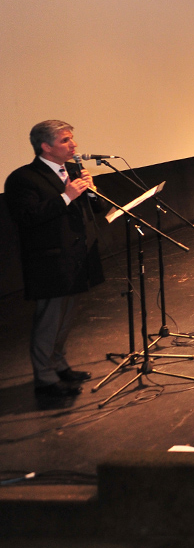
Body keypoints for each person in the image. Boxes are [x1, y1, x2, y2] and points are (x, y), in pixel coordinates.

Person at [4, 120, 104, 405]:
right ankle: (45, 379)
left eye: (72, 139)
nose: (74, 146)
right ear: (46, 147)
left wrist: (91, 190)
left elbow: (94, 208)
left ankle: (59, 365)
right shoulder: (23, 178)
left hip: (77, 256)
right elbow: (26, 217)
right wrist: (67, 195)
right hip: (50, 260)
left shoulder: (73, 171)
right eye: (65, 140)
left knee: (66, 317)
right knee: (49, 320)